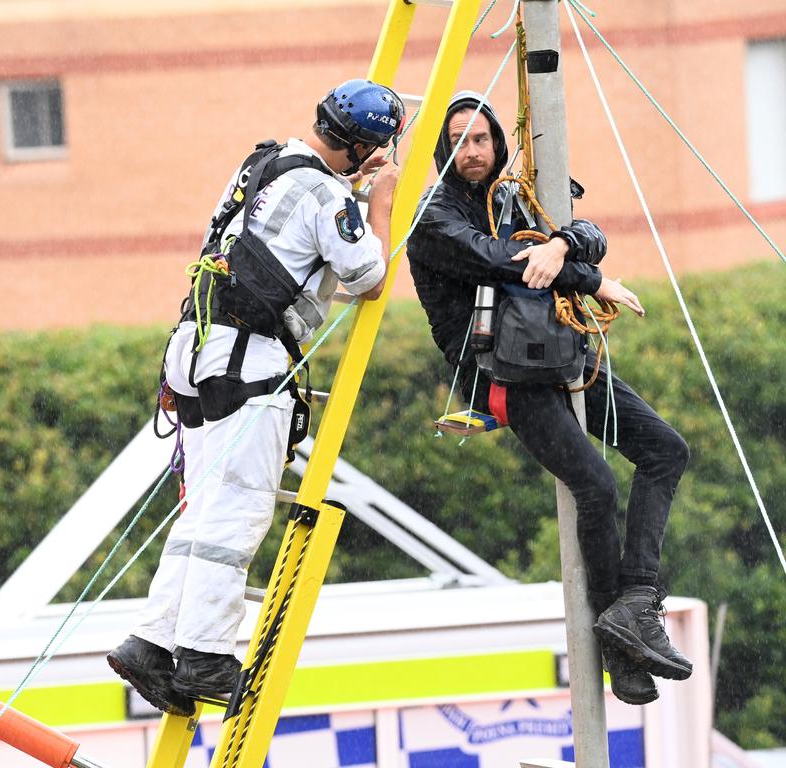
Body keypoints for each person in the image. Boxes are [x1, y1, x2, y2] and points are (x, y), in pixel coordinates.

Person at [108, 79, 405, 716]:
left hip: (195, 349)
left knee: (202, 511)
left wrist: (352, 192)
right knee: (235, 512)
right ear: (359, 149)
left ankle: (153, 643)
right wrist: (381, 200)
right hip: (252, 359)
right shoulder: (332, 194)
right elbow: (370, 278)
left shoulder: (262, 163)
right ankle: (205, 656)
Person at [406, 91, 692, 706]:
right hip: (503, 376)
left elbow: (584, 232)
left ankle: (636, 602)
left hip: (562, 355)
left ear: (497, 142)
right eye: (459, 141)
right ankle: (619, 646)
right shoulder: (431, 218)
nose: (473, 151)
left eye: (481, 138)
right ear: (443, 150)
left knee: (666, 451)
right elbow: (500, 260)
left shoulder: (517, 195)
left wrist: (564, 245)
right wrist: (587, 276)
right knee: (595, 486)